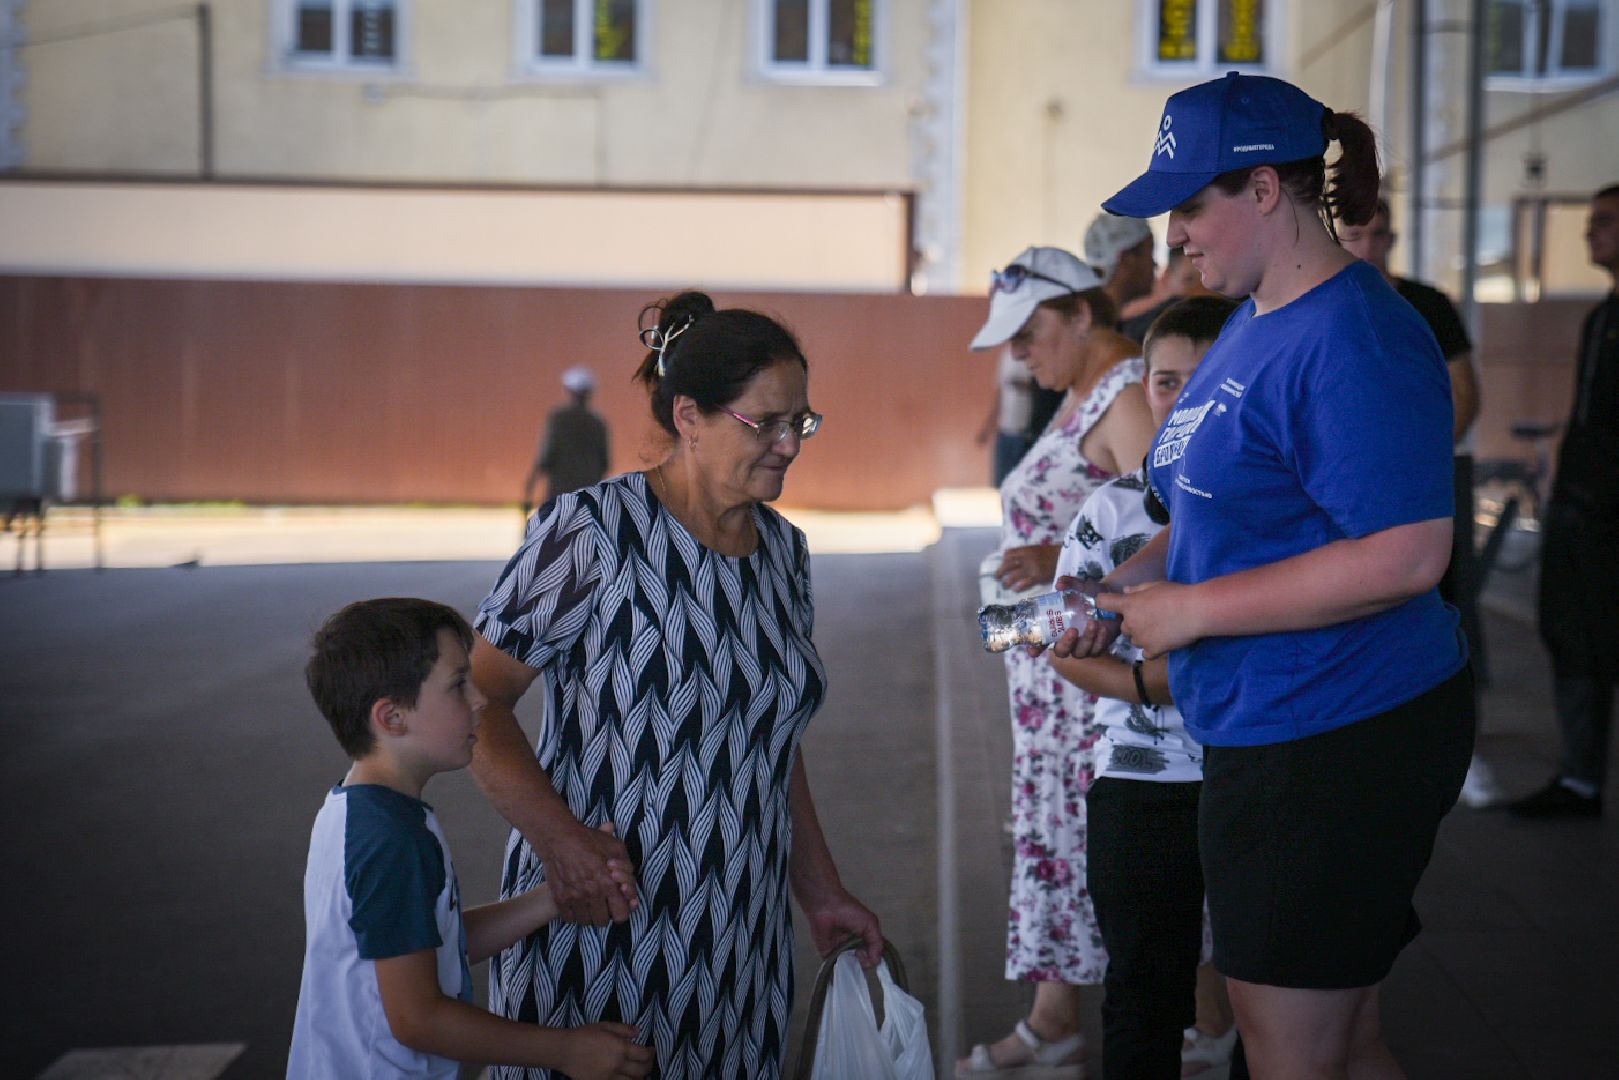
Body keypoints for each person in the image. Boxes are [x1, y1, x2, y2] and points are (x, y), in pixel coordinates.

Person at [1068, 72, 1473, 1078]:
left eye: (1188, 207)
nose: (1176, 237)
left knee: (1293, 1048)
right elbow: (1204, 508)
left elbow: (1407, 553)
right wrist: (1120, 595)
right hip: (1271, 723)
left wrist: (1193, 610)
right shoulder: (1256, 317)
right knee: (1335, 1037)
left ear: (1261, 189)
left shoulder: (1354, 334)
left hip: (1336, 730)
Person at [468, 291, 882, 1080]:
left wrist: (820, 892)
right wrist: (562, 843)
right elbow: (477, 699)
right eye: (767, 423)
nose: (791, 444)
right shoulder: (591, 533)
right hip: (601, 924)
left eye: (802, 421)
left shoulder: (782, 554)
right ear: (689, 416)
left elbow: (766, 739)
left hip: (741, 935)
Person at [288, 597, 653, 1080]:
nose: (479, 699)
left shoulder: (357, 810)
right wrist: (564, 1050)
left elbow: (431, 947)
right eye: (458, 686)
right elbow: (419, 1018)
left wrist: (552, 900)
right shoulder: (391, 838)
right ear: (392, 717)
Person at [958, 246, 1157, 1077]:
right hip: (1054, 680)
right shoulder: (1086, 392)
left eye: (1029, 332)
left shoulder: (1128, 392)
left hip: (1093, 688)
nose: (1017, 353)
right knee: (1056, 843)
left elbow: (1178, 529)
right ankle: (1053, 1020)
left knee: (1097, 849)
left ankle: (1204, 1032)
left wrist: (1061, 564)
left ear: (1082, 313)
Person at [1047, 296, 1239, 1079]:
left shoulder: (1268, 501)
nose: (1182, 399)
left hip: (1250, 771)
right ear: (1142, 385)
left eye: (1206, 380)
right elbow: (1060, 643)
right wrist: (1152, 683)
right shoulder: (1112, 506)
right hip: (1136, 779)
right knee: (1140, 992)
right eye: (1165, 381)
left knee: (1269, 993)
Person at [1508, 183, 1619, 818]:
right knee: (1571, 636)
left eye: (1605, 222)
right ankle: (1580, 778)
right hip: (1581, 509)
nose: (1590, 232)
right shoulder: (1602, 315)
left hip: (1604, 515)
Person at [523, 365, 610, 521]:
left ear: (568, 391)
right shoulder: (598, 423)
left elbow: (546, 455)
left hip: (559, 492)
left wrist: (532, 481)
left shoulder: (558, 419)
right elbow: (605, 463)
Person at [1119, 247, 1219, 343]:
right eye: (1189, 280)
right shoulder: (1134, 328)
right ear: (1166, 277)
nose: (1202, 292)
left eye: (1212, 282)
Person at [1085, 212, 1158, 325]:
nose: (1155, 264)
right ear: (1126, 259)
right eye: (1149, 254)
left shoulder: (1088, 320)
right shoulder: (1100, 332)